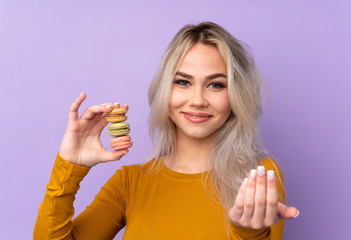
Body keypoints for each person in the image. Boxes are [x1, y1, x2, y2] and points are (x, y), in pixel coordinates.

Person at [34, 22, 299, 239]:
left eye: (216, 85)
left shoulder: (259, 175)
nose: (197, 100)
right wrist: (69, 167)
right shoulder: (130, 182)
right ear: (165, 90)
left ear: (237, 94)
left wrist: (248, 233)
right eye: (183, 81)